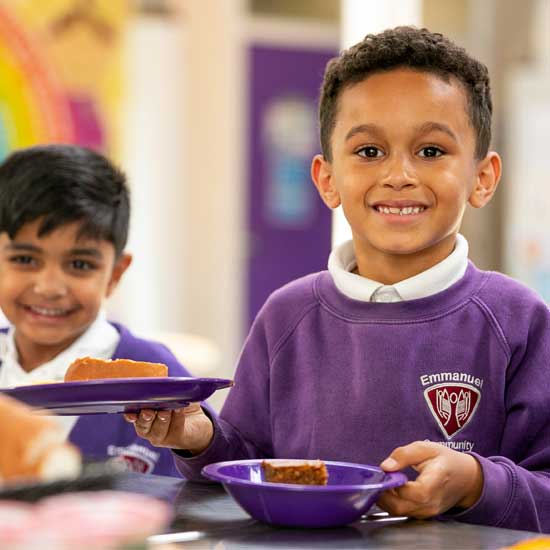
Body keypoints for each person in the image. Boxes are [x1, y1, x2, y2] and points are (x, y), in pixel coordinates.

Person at [126, 26, 550, 532]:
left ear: (482, 178)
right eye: (369, 151)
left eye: (431, 151)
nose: (398, 174)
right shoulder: (286, 315)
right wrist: (200, 436)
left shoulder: (519, 321)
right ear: (328, 179)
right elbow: (246, 462)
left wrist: (477, 482)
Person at [0, 143, 193, 476]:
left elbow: (212, 481)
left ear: (115, 274)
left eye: (79, 264)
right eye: (25, 259)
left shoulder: (160, 377)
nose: (49, 287)